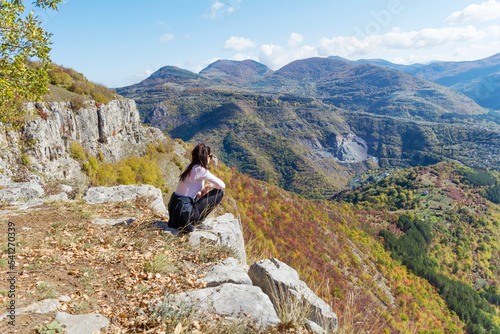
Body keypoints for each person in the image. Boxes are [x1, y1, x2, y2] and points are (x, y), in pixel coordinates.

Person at [167, 143, 225, 232]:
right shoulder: (200, 170)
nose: (210, 158)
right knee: (219, 192)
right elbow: (222, 185)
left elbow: (186, 191)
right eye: (209, 156)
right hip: (185, 211)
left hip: (176, 211)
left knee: (200, 197)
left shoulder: (190, 167)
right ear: (206, 157)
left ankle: (194, 219)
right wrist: (208, 186)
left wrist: (200, 194)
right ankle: (198, 221)